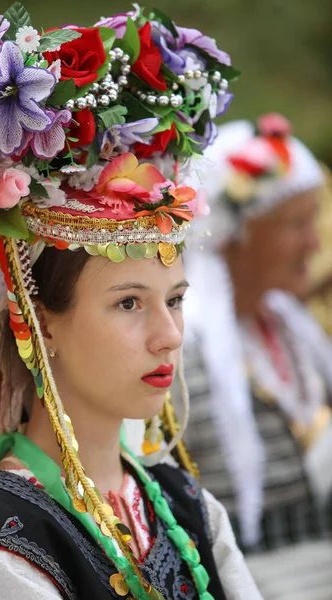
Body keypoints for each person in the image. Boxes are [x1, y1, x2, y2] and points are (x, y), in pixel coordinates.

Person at [0, 5, 261, 599]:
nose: (170, 335)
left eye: (176, 299)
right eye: (129, 304)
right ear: (39, 320)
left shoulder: (191, 509)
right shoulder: (0, 545)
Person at [181, 113, 332, 598]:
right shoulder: (186, 353)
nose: (314, 241)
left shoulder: (295, 330)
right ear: (234, 240)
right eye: (296, 224)